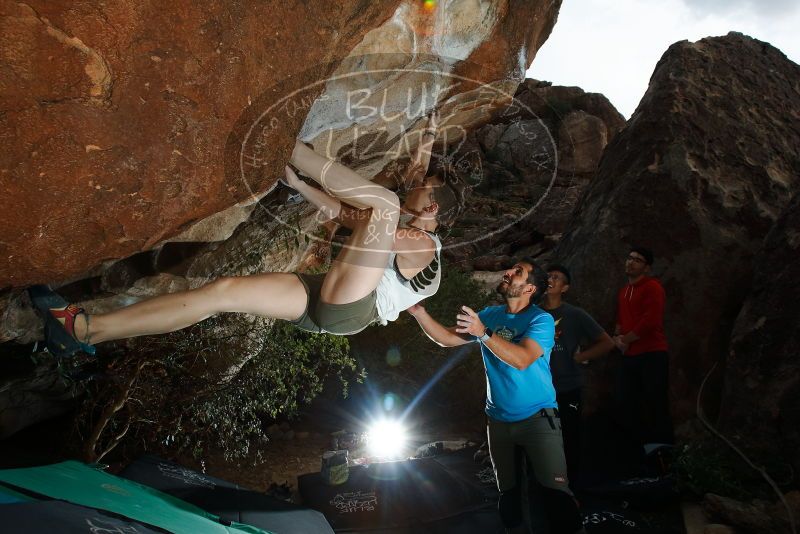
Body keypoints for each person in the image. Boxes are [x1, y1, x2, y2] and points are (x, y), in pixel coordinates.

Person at [29, 112, 458, 357]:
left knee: (380, 201)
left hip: (355, 306)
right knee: (223, 291)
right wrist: (300, 186)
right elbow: (352, 217)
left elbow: (380, 208)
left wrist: (294, 156)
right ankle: (85, 330)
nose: (412, 190)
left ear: (433, 207)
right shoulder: (405, 231)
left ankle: (291, 146)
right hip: (330, 300)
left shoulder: (426, 244)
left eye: (422, 192)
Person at [407, 259, 584, 534]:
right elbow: (446, 338)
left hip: (538, 419)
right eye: (511, 268)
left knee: (557, 496)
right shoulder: (490, 314)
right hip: (498, 422)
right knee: (508, 497)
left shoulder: (541, 319)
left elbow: (523, 359)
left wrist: (484, 334)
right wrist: (419, 312)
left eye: (517, 272)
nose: (508, 273)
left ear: (529, 288)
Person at [542, 264, 614, 479]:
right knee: (541, 439)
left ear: (565, 288)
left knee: (570, 438)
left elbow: (606, 342)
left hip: (568, 388)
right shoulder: (534, 312)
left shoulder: (575, 314)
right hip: (539, 390)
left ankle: (571, 488)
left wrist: (582, 357)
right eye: (548, 276)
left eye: (556, 277)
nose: (550, 280)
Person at [613, 246, 674, 447]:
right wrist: (617, 337)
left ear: (646, 268)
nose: (630, 262)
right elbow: (621, 318)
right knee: (627, 403)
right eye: (629, 258)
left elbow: (651, 321)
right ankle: (634, 452)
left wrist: (626, 339)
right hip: (629, 356)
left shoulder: (653, 287)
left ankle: (662, 455)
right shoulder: (624, 291)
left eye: (637, 260)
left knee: (655, 403)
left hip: (652, 354)